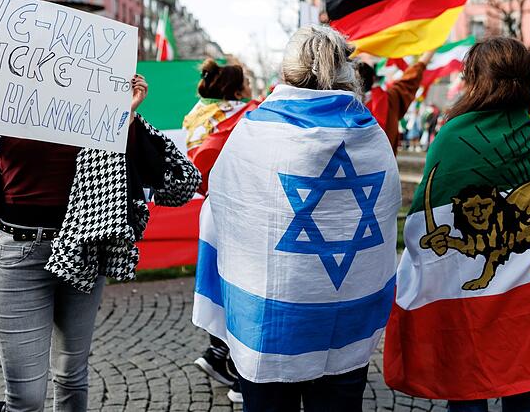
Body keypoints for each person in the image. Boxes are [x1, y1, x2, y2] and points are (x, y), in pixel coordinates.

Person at [0, 2, 201, 412]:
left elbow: (148, 172)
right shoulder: (6, 95)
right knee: (26, 397)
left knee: (73, 377)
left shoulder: (104, 102)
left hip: (81, 249)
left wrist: (124, 116)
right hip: (18, 256)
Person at [384, 37, 530, 412]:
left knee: (467, 387)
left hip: (466, 298)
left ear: (476, 79)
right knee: (522, 384)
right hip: (524, 298)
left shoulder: (452, 137)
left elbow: (421, 226)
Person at [192, 25, 401, 412]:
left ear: (285, 74)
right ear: (346, 73)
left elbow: (222, 204)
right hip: (347, 315)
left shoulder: (254, 133)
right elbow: (387, 212)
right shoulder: (370, 134)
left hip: (269, 319)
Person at [185, 58, 257, 404]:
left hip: (214, 207)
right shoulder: (246, 114)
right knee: (247, 289)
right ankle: (244, 378)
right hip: (243, 211)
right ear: (239, 88)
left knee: (224, 283)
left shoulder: (201, 114)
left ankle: (216, 354)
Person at [356, 49, 435, 155]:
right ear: (374, 79)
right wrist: (430, 50)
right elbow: (411, 78)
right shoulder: (391, 99)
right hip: (384, 167)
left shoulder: (342, 105)